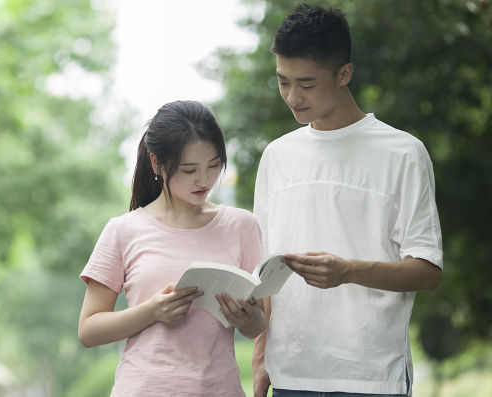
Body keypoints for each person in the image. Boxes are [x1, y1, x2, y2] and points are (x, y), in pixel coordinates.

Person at [252, 4, 443, 397]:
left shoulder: (403, 153)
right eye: (283, 81)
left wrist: (349, 271)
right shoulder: (276, 156)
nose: (292, 97)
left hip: (372, 378)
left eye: (306, 84)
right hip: (291, 375)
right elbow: (267, 271)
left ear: (344, 74)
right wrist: (260, 359)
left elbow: (427, 270)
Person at [78, 100, 269, 396]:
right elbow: (88, 330)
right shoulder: (123, 230)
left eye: (214, 165)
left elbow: (257, 326)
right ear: (157, 164)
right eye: (189, 169)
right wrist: (152, 311)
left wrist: (249, 318)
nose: (204, 180)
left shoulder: (242, 226)